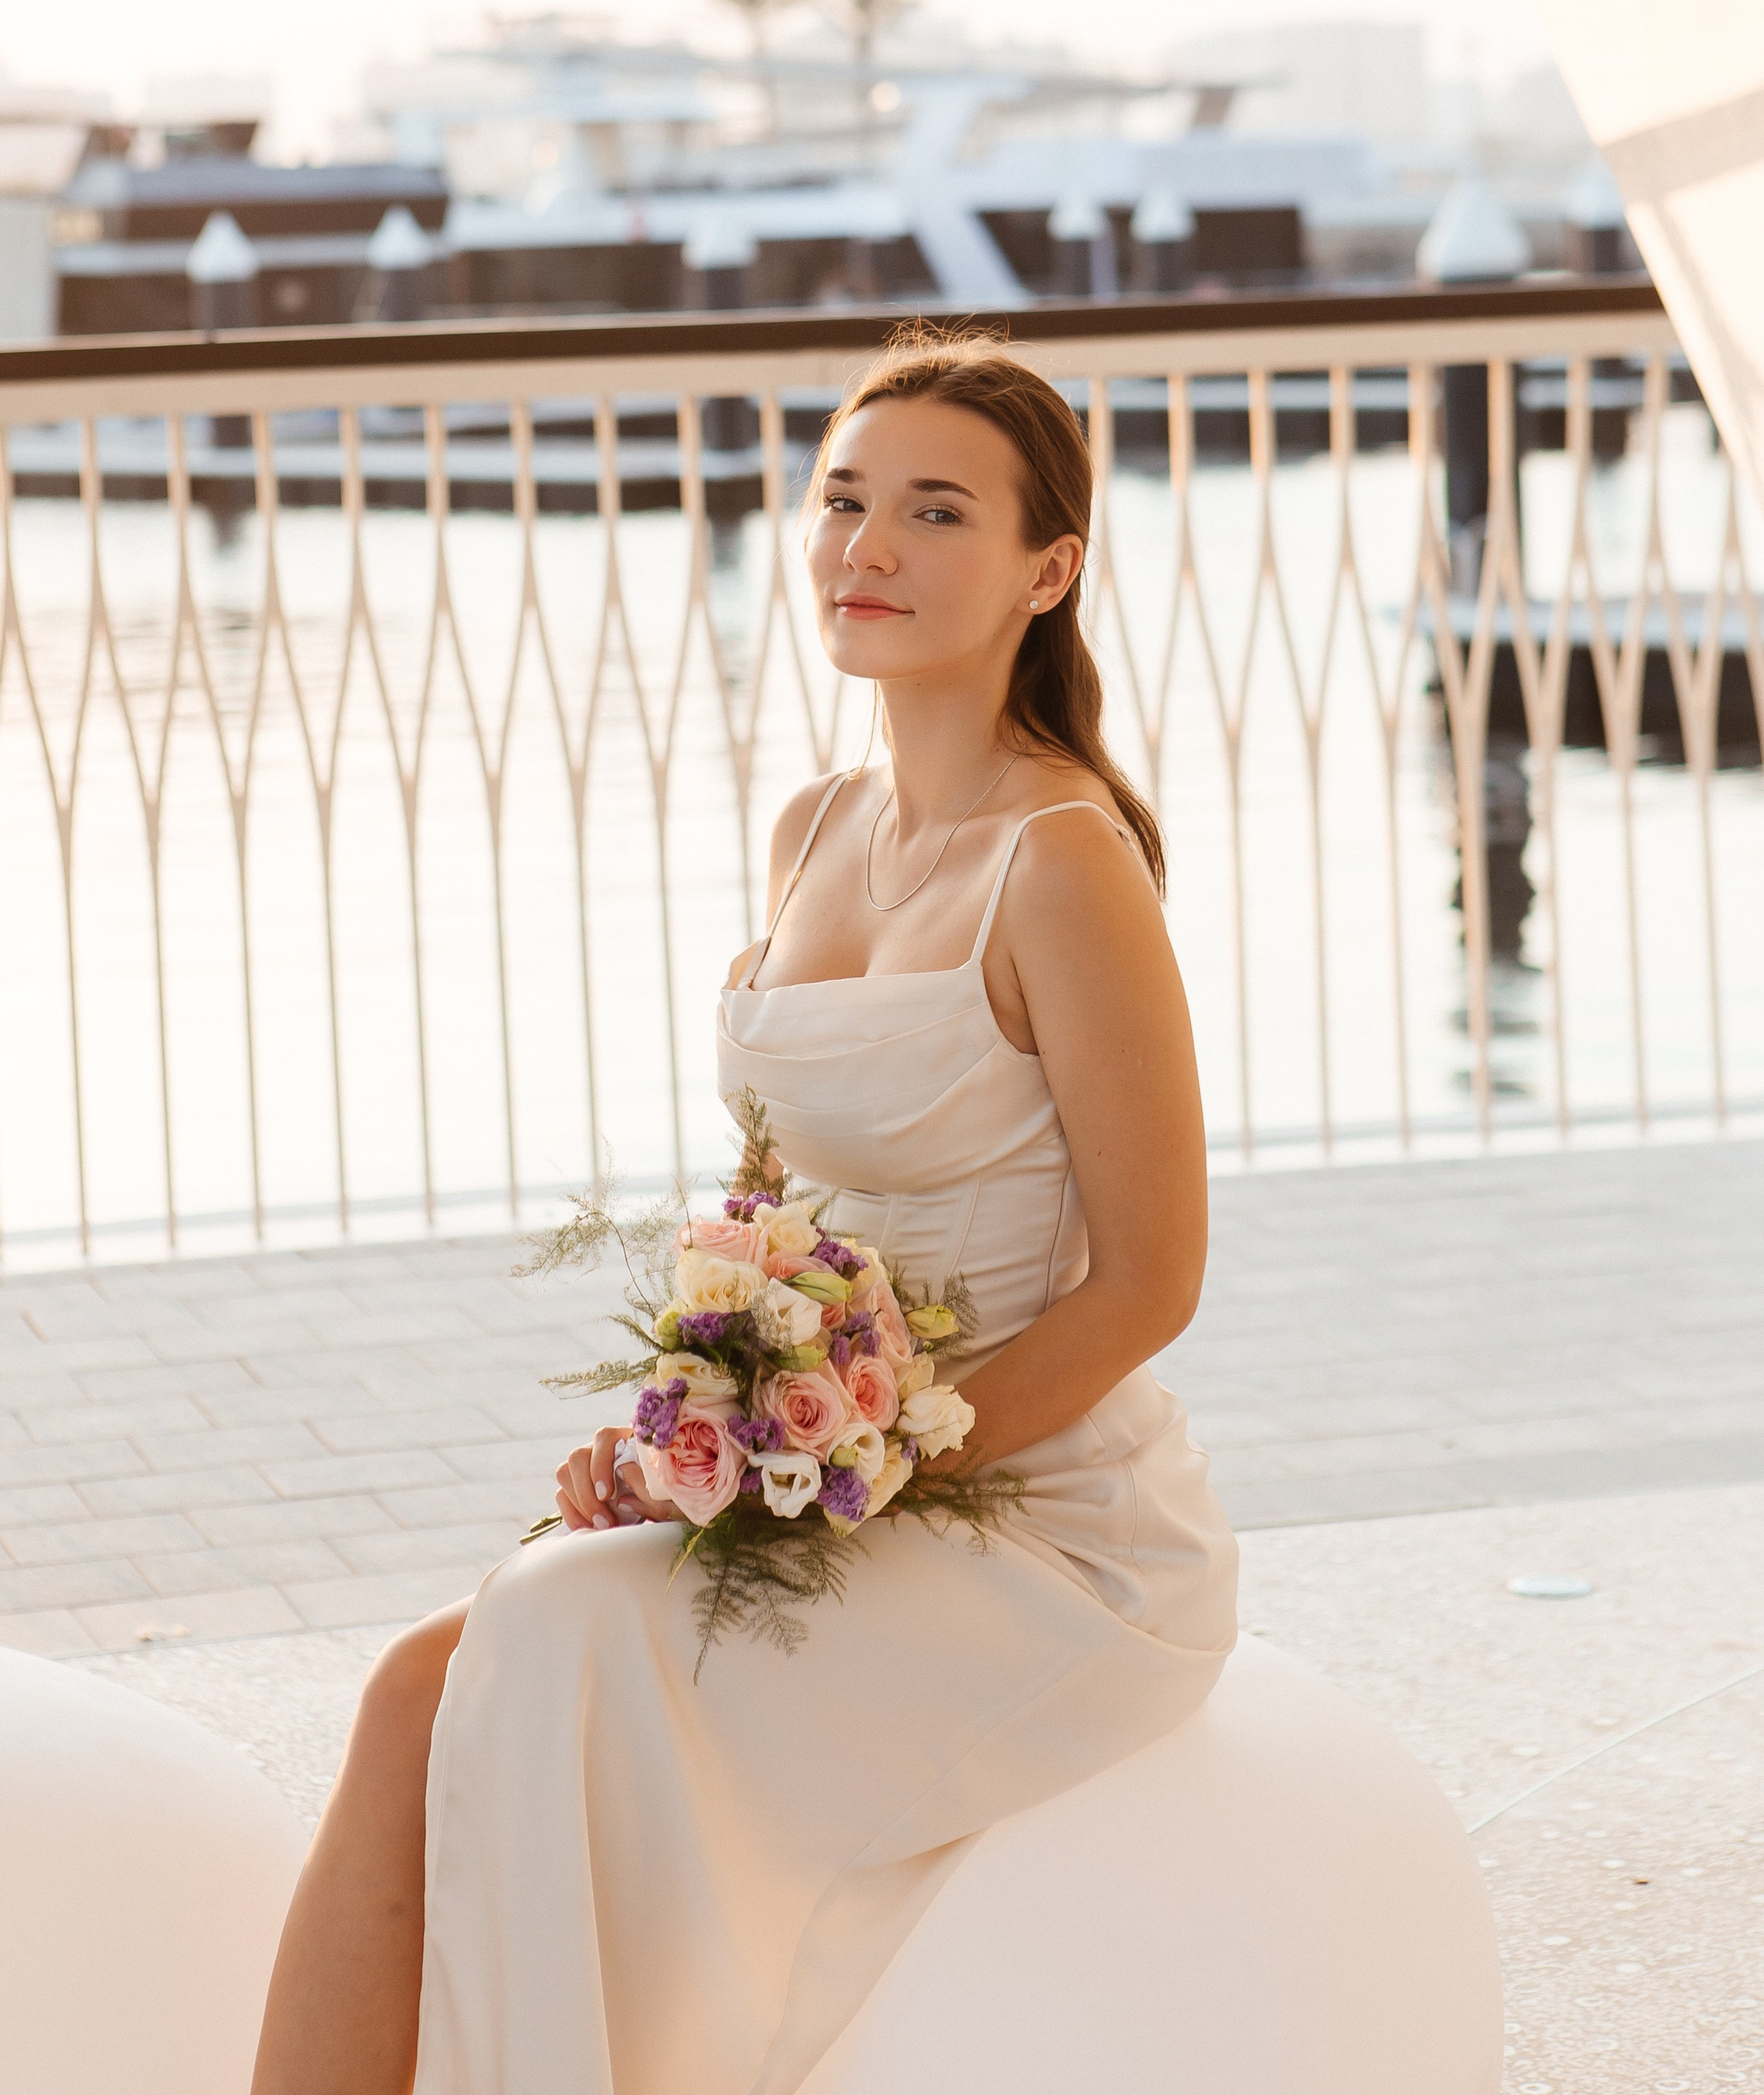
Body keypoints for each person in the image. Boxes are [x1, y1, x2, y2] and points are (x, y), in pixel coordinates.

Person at [251, 327, 1238, 2095]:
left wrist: (861, 1466)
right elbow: (776, 1220)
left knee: (543, 1638)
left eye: (935, 511)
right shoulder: (814, 827)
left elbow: (1150, 1282)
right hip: (827, 1475)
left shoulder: (1062, 862)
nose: (868, 544)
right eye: (843, 498)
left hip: (1042, 1532)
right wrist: (687, 1441)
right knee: (420, 1686)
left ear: (1047, 569)